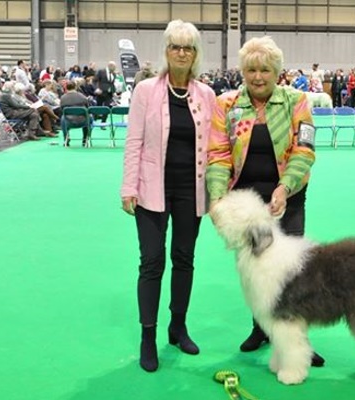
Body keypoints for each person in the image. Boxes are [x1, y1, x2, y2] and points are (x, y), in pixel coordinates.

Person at [206, 35, 324, 367]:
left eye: (265, 70)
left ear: (277, 71)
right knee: (256, 270)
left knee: (293, 274)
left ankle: (297, 340)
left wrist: (285, 188)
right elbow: (218, 154)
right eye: (251, 70)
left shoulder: (296, 101)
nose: (258, 77)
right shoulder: (227, 104)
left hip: (287, 196)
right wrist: (217, 197)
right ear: (243, 71)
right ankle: (261, 329)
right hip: (247, 203)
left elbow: (304, 150)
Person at [120, 20, 216, 373]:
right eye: (176, 46)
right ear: (166, 51)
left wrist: (218, 191)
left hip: (192, 189)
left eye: (188, 48)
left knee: (184, 259)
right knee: (151, 262)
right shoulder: (145, 90)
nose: (181, 53)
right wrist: (128, 186)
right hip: (150, 189)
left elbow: (215, 145)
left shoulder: (206, 95)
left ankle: (178, 327)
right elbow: (134, 141)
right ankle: (148, 335)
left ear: (195, 54)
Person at [60, 80, 90, 146]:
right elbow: (88, 108)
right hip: (83, 121)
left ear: (66, 88)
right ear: (75, 87)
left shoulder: (63, 98)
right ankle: (85, 139)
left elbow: (62, 109)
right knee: (89, 116)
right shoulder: (82, 96)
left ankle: (66, 138)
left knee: (63, 118)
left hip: (68, 121)